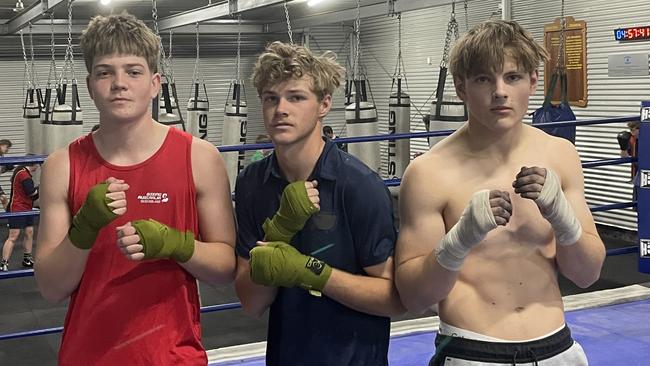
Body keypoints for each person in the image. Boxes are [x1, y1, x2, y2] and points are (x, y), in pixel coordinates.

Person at [395, 20, 606, 365]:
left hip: (556, 347)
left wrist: (561, 218)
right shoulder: (428, 173)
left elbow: (587, 274)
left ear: (533, 81)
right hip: (472, 350)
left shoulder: (561, 155)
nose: (499, 91)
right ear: (461, 88)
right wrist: (460, 240)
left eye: (512, 77)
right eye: (483, 79)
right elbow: (415, 297)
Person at [33, 13, 236, 365]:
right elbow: (51, 289)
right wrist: (85, 227)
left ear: (155, 83)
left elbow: (224, 268)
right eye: (104, 72)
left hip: (173, 356)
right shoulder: (62, 165)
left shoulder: (199, 158)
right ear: (89, 83)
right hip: (87, 356)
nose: (119, 83)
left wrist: (176, 243)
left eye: (133, 71)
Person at [234, 41, 404, 366]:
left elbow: (394, 299)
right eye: (271, 98)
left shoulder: (358, 185)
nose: (280, 109)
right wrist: (281, 230)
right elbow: (251, 303)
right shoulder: (252, 183)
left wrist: (312, 272)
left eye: (295, 97)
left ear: (324, 104)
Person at [0, 162, 39, 272]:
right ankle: (4, 262)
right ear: (34, 164)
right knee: (13, 236)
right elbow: (31, 193)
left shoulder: (24, 173)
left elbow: (32, 195)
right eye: (37, 165)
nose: (38, 168)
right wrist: (42, 189)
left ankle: (27, 258)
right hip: (18, 208)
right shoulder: (23, 174)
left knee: (29, 231)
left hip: (27, 207)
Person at [0, 139, 14, 208]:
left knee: (3, 198)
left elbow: (1, 170)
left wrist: (8, 167)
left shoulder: (2, 156)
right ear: (1, 145)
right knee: (3, 198)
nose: (7, 150)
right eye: (7, 147)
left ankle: (10, 215)